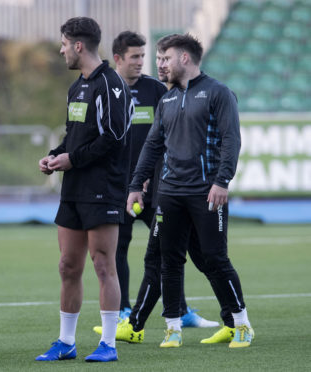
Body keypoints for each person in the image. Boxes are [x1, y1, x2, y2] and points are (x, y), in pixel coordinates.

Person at [127, 33, 254, 348]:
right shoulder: (167, 99)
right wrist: (135, 186)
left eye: (165, 58)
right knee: (169, 261)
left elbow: (231, 140)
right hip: (170, 193)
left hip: (207, 192)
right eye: (158, 59)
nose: (160, 65)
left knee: (214, 258)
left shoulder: (218, 93)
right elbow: (153, 146)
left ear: (184, 58)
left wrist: (223, 180)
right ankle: (173, 329)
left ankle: (241, 324)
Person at [93, 31, 221, 344]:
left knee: (182, 249)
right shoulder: (106, 88)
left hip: (160, 188)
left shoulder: (156, 89)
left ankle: (181, 308)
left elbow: (166, 138)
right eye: (135, 56)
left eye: (143, 56)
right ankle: (124, 313)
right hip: (119, 189)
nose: (142, 62)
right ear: (119, 58)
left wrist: (153, 176)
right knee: (116, 250)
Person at [35, 17, 132, 363]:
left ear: (78, 45)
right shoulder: (77, 87)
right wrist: (54, 156)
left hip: (103, 189)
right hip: (73, 189)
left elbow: (114, 138)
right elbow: (72, 136)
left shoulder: (111, 85)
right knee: (67, 266)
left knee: (104, 265)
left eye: (63, 44)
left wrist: (71, 160)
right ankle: (66, 342)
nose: (60, 50)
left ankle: (108, 344)